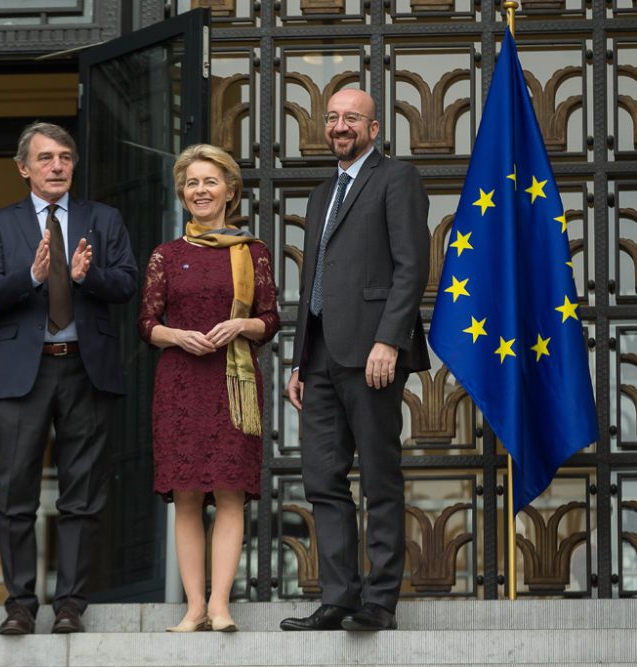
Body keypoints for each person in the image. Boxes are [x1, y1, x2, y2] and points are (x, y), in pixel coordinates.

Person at [0, 122, 137, 635]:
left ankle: (70, 604)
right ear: (24, 168)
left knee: (82, 495)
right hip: (25, 371)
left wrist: (89, 276)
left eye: (65, 157)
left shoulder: (102, 219)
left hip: (86, 369)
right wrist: (32, 278)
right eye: (45, 158)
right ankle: (20, 604)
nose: (57, 166)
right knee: (16, 493)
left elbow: (127, 283)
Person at [280, 89, 430, 632]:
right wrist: (298, 362)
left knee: (380, 477)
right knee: (322, 478)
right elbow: (315, 278)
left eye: (352, 119)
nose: (340, 126)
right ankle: (339, 597)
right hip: (319, 356)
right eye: (333, 118)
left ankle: (380, 602)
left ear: (374, 128)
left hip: (373, 355)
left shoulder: (397, 179)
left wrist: (390, 340)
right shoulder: (322, 193)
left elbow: (411, 267)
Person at [138, 144, 279, 633]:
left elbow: (271, 319)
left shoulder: (252, 252)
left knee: (231, 494)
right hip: (180, 383)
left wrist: (240, 327)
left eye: (210, 182)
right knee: (188, 496)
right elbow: (147, 322)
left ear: (230, 192)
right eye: (192, 183)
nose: (201, 190)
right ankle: (194, 607)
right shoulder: (166, 255)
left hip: (232, 383)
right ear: (183, 193)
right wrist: (176, 335)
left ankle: (221, 605)